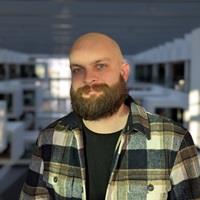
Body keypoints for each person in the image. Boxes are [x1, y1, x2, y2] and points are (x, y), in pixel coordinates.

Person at [20, 33, 200, 200]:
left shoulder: (174, 141)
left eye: (100, 66)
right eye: (77, 69)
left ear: (123, 72)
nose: (88, 78)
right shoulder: (49, 138)